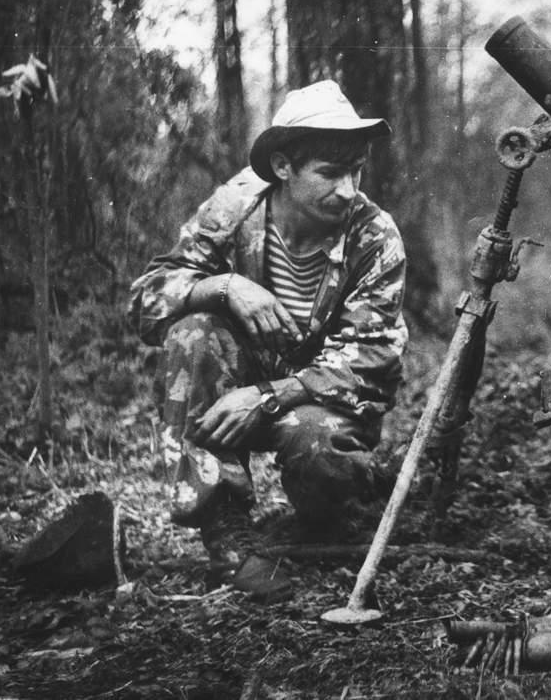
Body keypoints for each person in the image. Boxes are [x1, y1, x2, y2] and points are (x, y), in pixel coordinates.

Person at [130, 81, 407, 601]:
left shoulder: (374, 235)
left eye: (356, 171)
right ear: (283, 166)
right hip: (243, 384)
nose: (348, 189)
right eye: (330, 172)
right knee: (193, 334)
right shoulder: (234, 208)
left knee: (324, 457)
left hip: (317, 402)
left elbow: (371, 356)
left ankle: (332, 510)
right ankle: (228, 538)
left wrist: (267, 397)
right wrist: (225, 287)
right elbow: (147, 302)